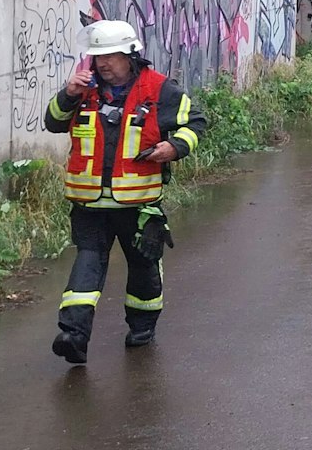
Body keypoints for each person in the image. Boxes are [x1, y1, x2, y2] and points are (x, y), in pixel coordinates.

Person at [43, 20, 208, 364]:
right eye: (97, 57)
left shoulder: (161, 90)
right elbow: (54, 122)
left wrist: (175, 147)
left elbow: (195, 122)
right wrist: (67, 95)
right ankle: (73, 336)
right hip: (89, 203)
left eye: (110, 56)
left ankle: (142, 327)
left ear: (130, 55)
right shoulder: (84, 89)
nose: (102, 64)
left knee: (144, 265)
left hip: (139, 204)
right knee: (87, 263)